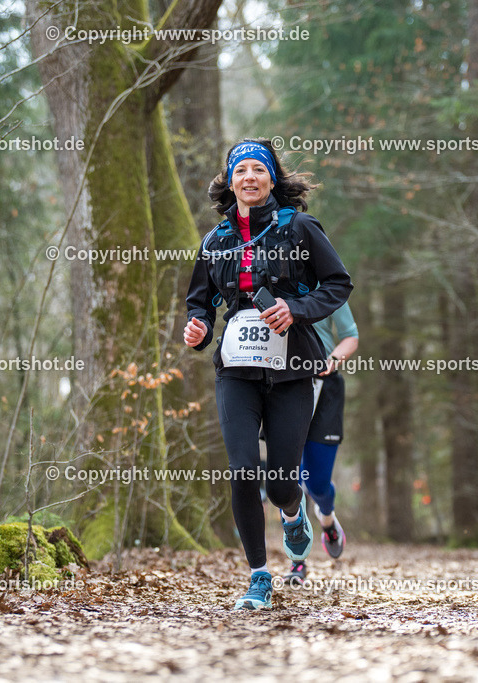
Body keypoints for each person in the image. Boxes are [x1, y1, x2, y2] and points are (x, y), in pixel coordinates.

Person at [184, 138, 352, 610]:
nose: (250, 178)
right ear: (230, 181)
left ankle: (294, 512)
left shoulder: (298, 227)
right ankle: (259, 577)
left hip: (294, 368)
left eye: (259, 169)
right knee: (242, 470)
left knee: (280, 481)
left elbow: (338, 283)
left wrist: (296, 309)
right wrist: (197, 329)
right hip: (235, 370)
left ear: (271, 178)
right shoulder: (215, 241)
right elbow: (200, 302)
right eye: (241, 171)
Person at [285, 301, 358, 585]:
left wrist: (332, 360)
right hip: (287, 385)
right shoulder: (275, 287)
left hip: (325, 388)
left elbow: (351, 336)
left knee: (316, 484)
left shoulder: (327, 289)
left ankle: (327, 520)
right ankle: (297, 562)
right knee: (289, 481)